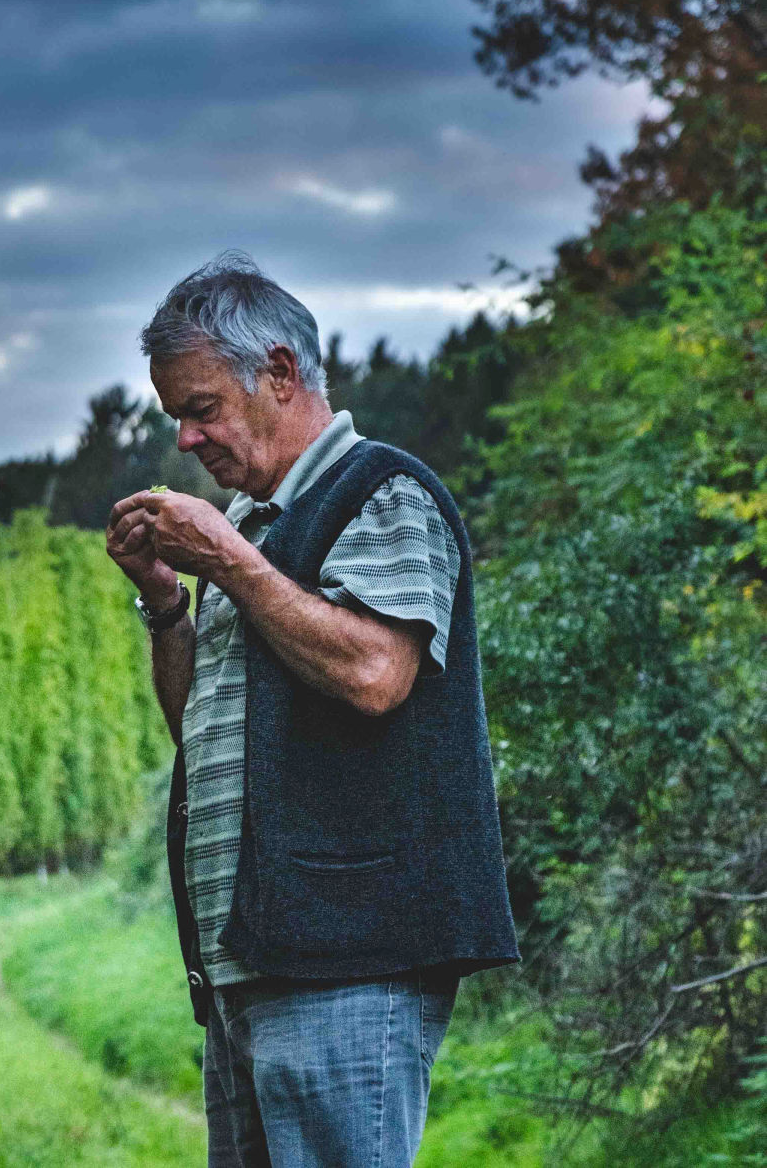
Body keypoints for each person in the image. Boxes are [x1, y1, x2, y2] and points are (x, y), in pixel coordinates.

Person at [106, 251, 519, 1168]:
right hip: (255, 966)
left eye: (202, 408)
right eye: (176, 415)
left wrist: (230, 565)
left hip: (349, 964)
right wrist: (168, 602)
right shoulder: (251, 534)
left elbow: (377, 674)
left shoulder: (382, 490)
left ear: (282, 374)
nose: (185, 440)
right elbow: (201, 730)